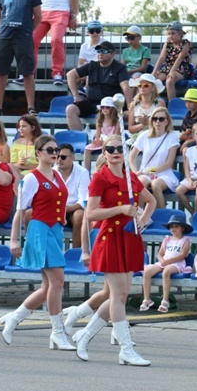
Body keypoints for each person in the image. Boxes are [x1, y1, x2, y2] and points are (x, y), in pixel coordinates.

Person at [74, 134, 156, 366]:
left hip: (129, 237)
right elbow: (90, 214)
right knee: (119, 296)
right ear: (104, 153)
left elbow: (152, 202)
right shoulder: (100, 178)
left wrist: (142, 219)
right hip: (110, 238)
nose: (116, 151)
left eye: (120, 148)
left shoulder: (131, 177)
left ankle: (85, 336)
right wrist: (120, 208)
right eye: (110, 148)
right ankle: (126, 350)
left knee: (118, 296)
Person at [0, 135, 75, 350]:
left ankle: (14, 318)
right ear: (38, 153)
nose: (54, 154)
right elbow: (20, 212)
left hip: (54, 229)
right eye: (50, 150)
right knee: (58, 282)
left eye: (56, 151)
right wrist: (13, 240)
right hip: (40, 229)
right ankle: (57, 333)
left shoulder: (57, 175)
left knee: (48, 287)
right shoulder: (31, 178)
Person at [30, 0, 79, 86]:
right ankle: (29, 71)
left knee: (56, 39)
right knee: (31, 39)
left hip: (61, 11)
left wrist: (73, 15)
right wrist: (32, 13)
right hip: (42, 12)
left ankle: (57, 72)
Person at [66, 41, 132, 131]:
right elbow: (70, 74)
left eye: (104, 51)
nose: (100, 53)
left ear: (113, 54)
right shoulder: (92, 65)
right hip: (92, 103)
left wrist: (129, 109)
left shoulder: (119, 68)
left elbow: (126, 88)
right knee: (70, 109)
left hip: (111, 105)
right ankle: (79, 138)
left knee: (105, 112)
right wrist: (76, 95)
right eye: (98, 51)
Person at [140, 214, 193, 314]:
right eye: (171, 227)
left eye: (176, 226)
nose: (173, 229)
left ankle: (165, 300)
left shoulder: (185, 240)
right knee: (147, 272)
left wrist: (167, 261)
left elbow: (182, 255)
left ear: (183, 228)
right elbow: (160, 253)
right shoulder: (166, 239)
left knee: (166, 272)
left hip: (177, 263)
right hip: (164, 262)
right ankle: (147, 299)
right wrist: (162, 260)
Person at [129, 107, 180, 209]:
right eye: (154, 118)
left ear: (166, 121)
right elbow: (131, 156)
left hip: (164, 173)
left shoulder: (172, 137)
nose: (157, 121)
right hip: (145, 173)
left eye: (161, 119)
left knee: (156, 184)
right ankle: (139, 216)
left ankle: (162, 216)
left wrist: (149, 171)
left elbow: (169, 163)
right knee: (140, 183)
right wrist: (135, 171)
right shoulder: (144, 135)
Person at [55, 143, 90, 249]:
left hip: (73, 210)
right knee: (30, 214)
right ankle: (38, 254)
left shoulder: (82, 172)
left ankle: (76, 253)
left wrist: (65, 209)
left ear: (72, 158)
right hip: (54, 209)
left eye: (63, 157)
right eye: (57, 156)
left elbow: (83, 201)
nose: (59, 160)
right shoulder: (52, 171)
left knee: (80, 215)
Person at [154, 21, 192, 101]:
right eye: (169, 34)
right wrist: (154, 71)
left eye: (173, 33)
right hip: (167, 67)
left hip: (180, 68)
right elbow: (162, 57)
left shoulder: (186, 43)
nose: (170, 36)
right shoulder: (167, 43)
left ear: (180, 33)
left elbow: (180, 58)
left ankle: (172, 105)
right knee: (155, 81)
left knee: (169, 81)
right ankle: (155, 102)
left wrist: (172, 71)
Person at [83, 97, 121, 171]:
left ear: (112, 109)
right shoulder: (99, 120)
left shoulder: (116, 122)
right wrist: (97, 140)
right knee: (87, 149)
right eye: (102, 107)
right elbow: (97, 135)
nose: (105, 109)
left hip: (111, 142)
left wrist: (105, 142)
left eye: (107, 107)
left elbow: (116, 137)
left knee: (107, 150)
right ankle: (86, 171)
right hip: (101, 141)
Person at [126, 73, 167, 138]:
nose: (142, 87)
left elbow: (164, 124)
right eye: (140, 85)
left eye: (146, 85)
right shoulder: (133, 105)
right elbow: (131, 129)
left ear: (153, 88)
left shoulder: (159, 104)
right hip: (138, 138)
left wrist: (147, 122)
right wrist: (142, 125)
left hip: (156, 136)